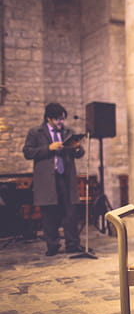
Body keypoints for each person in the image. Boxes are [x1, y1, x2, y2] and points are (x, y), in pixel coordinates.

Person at [23, 103, 85, 256]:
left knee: (70, 212)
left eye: (63, 119)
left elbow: (79, 153)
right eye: (57, 120)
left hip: (66, 178)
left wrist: (77, 147)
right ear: (48, 119)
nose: (61, 122)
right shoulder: (35, 132)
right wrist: (48, 148)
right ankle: (52, 245)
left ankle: (73, 244)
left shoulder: (68, 132)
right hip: (47, 180)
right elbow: (28, 152)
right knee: (49, 213)